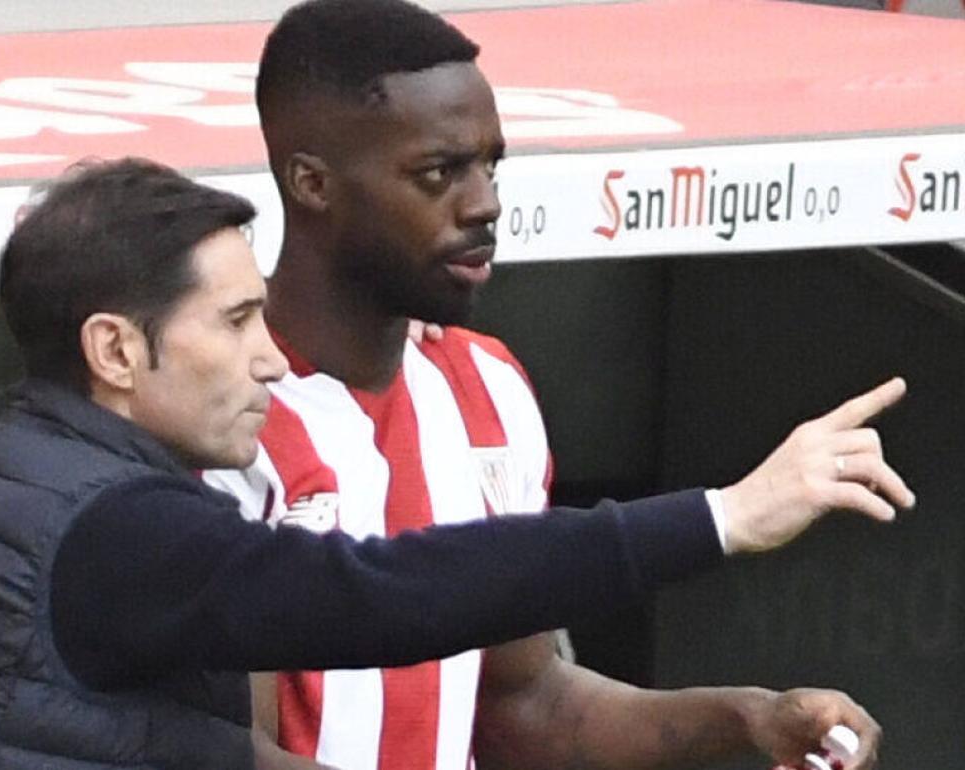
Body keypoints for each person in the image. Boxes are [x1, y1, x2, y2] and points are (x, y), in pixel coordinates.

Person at [0, 157, 903, 770]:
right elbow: (382, 594)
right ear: (117, 349)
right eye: (237, 319)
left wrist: (741, 714)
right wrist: (721, 515)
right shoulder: (119, 527)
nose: (268, 355)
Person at [202, 2, 916, 769]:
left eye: (490, 165)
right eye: (439, 173)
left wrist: (752, 717)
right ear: (312, 183)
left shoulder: (489, 387)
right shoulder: (213, 417)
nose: (484, 204)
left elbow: (525, 702)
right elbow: (226, 754)